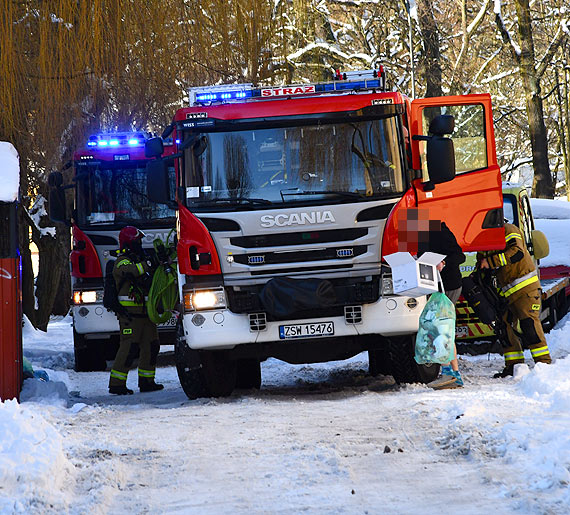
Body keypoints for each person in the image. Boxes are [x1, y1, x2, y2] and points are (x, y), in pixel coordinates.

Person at [477, 222, 551, 377]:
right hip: (507, 295)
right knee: (504, 329)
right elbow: (483, 263)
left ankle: (544, 366)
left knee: (529, 325)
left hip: (526, 291)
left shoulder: (509, 230)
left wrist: (491, 262)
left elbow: (517, 253)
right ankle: (514, 366)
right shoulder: (484, 238)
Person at [108, 226, 164, 395]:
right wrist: (149, 263)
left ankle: (147, 381)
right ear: (130, 242)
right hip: (130, 316)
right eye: (138, 241)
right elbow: (130, 271)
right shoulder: (122, 260)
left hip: (146, 314)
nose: (140, 244)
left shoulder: (142, 258)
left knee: (152, 346)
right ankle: (117, 384)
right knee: (129, 348)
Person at [419, 220, 466, 389]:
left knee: (442, 329)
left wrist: (443, 263)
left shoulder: (437, 229)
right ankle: (452, 373)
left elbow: (460, 255)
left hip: (449, 285)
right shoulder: (411, 229)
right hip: (434, 287)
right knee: (442, 328)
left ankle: (450, 373)